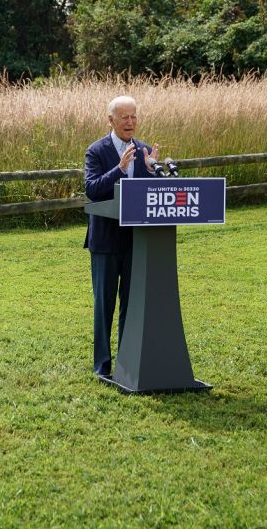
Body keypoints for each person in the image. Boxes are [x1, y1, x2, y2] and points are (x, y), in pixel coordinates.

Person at [83, 95, 160, 378]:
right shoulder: (96, 151)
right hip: (105, 241)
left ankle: (126, 363)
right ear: (111, 120)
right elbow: (93, 189)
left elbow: (151, 195)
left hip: (135, 240)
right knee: (105, 306)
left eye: (134, 116)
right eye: (125, 117)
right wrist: (119, 170)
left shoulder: (143, 150)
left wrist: (152, 171)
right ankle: (102, 367)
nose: (130, 122)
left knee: (131, 303)